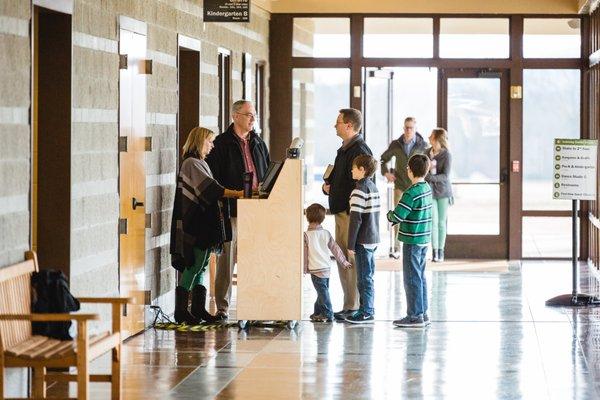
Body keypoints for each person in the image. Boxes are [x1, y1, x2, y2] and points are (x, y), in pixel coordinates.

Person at [170, 127, 244, 324]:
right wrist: (238, 193)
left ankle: (198, 308)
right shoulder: (191, 163)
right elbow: (211, 189)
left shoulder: (201, 163)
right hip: (195, 223)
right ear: (199, 141)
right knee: (193, 265)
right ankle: (181, 312)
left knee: (202, 266)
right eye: (209, 141)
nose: (212, 145)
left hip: (204, 222)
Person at [206, 100, 270, 320]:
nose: (253, 119)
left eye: (254, 115)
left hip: (257, 208)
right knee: (227, 257)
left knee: (255, 255)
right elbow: (213, 179)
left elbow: (268, 172)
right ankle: (223, 306)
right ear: (235, 116)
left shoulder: (259, 143)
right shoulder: (221, 144)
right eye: (248, 115)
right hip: (231, 207)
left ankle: (255, 303)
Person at [322, 108, 373, 321]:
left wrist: (334, 190)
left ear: (349, 125)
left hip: (350, 213)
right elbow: (341, 179)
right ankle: (349, 304)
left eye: (338, 122)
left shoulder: (360, 149)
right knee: (343, 258)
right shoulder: (344, 149)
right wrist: (329, 186)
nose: (335, 125)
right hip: (341, 210)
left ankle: (352, 306)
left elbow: (362, 184)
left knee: (348, 259)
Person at [387, 154, 433, 328]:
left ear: (410, 170)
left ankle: (414, 316)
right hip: (423, 239)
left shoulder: (411, 193)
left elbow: (398, 215)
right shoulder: (426, 188)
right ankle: (422, 312)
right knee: (420, 275)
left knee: (411, 278)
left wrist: (389, 215)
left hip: (412, 240)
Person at [380, 117, 429, 257]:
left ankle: (415, 244)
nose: (408, 130)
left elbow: (428, 163)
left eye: (411, 128)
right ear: (403, 128)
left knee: (416, 216)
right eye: (406, 127)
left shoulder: (422, 145)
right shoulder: (396, 144)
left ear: (415, 129)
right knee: (399, 216)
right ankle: (397, 247)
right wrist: (386, 173)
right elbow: (383, 159)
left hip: (417, 187)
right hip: (400, 186)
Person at [346, 154, 380, 324]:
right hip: (373, 237)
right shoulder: (373, 187)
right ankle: (367, 308)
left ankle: (366, 311)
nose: (351, 170)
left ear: (362, 170)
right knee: (368, 275)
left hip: (362, 239)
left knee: (364, 277)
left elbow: (355, 219)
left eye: (354, 167)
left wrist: (350, 244)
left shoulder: (359, 190)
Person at [304, 203, 352, 323]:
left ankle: (327, 313)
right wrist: (344, 262)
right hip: (326, 268)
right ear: (323, 218)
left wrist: (304, 269)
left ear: (307, 217)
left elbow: (304, 254)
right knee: (322, 290)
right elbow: (336, 249)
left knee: (322, 291)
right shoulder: (326, 233)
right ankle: (318, 312)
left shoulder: (306, 235)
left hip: (315, 269)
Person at [425, 128, 453, 262]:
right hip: (429, 192)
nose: (429, 137)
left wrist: (430, 177)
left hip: (443, 192)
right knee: (432, 222)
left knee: (442, 222)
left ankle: (441, 251)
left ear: (436, 138)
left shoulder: (446, 155)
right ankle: (434, 251)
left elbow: (445, 176)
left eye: (431, 135)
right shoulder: (426, 153)